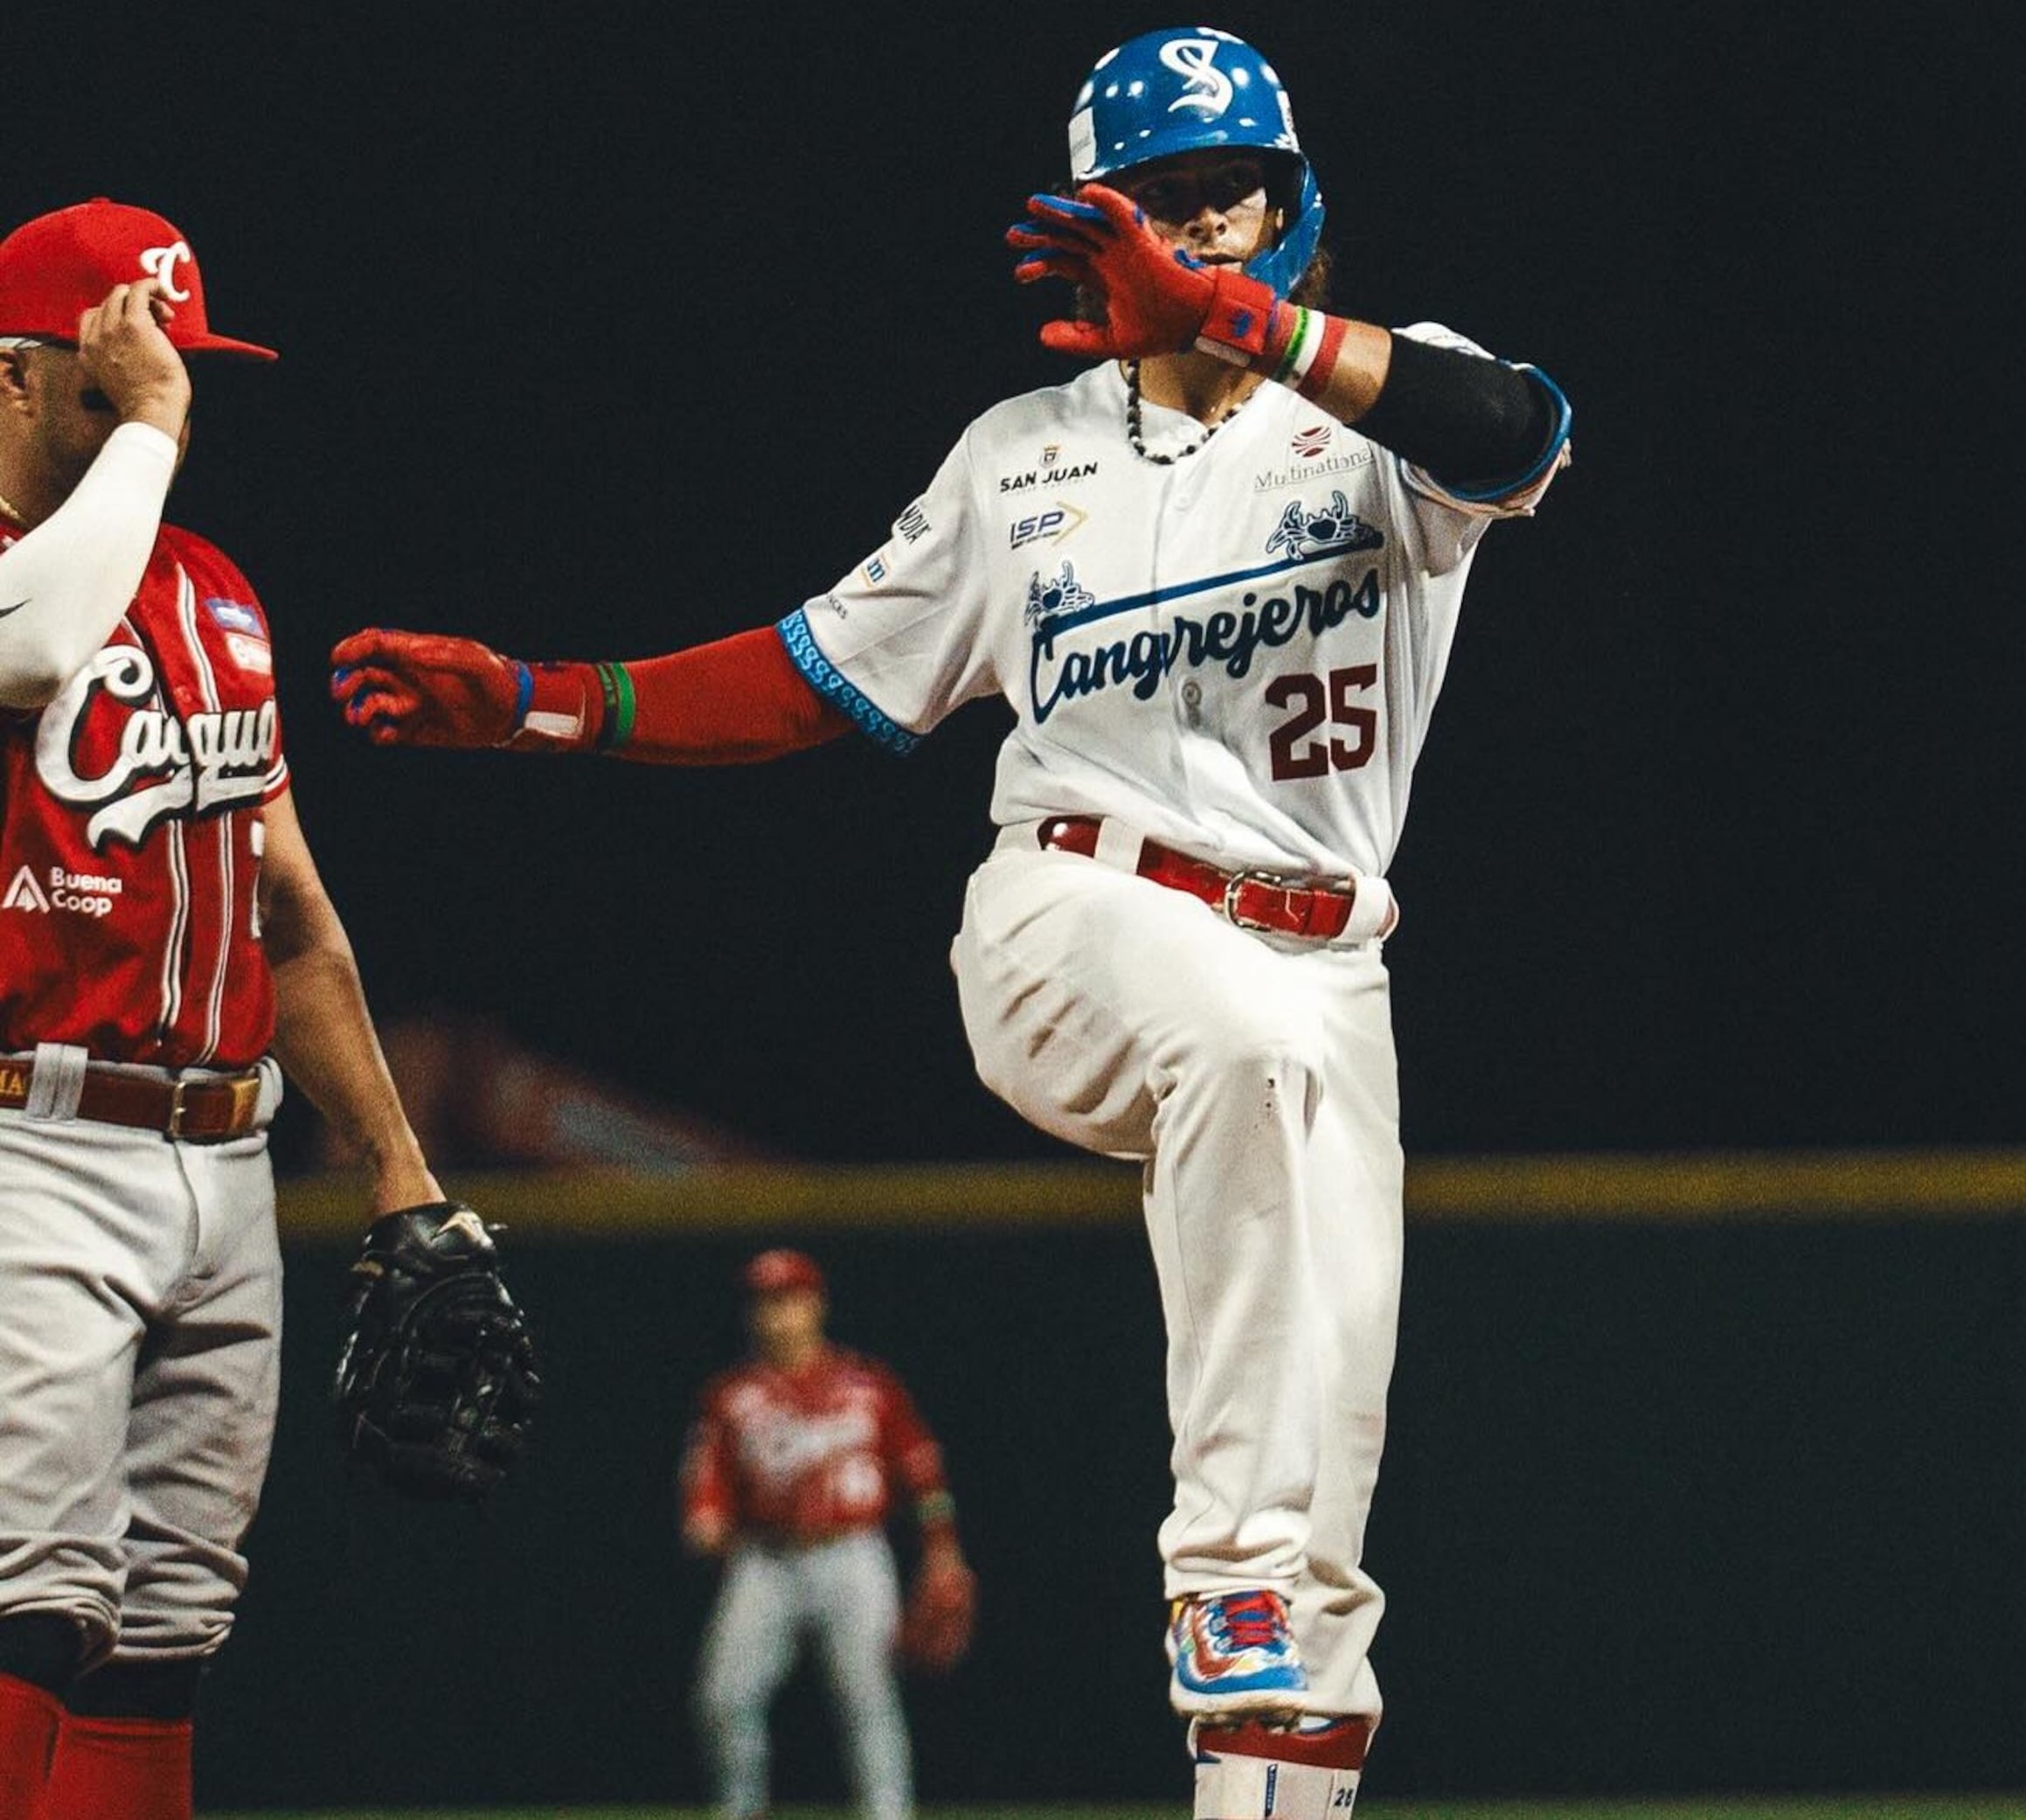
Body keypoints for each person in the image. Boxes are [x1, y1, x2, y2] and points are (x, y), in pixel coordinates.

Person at [328, 23, 1572, 1817]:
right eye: (1157, 202)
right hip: (1073, 919)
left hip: (1322, 988)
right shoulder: (1022, 459)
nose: (1201, 226)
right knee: (1239, 1094)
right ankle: (1219, 1575)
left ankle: (1262, 1719)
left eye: (1230, 193)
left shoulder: (1376, 409)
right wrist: (536, 697)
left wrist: (1231, 322)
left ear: (1293, 207)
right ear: (1087, 227)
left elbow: (1521, 426)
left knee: (1324, 1552)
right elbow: (809, 678)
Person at [0, 198, 450, 1820]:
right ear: (19, 368)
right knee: (31, 1602)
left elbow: (295, 917)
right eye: (125, 358)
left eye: (182, 359)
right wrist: (158, 432)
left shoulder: (216, 596)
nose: (166, 386)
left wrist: (398, 1161)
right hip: (24, 1138)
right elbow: (43, 639)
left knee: (166, 1628)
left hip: (225, 1158)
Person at [678, 1247, 974, 1820]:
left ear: (816, 1304)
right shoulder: (732, 1395)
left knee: (868, 1701)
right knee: (724, 1696)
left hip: (853, 1553)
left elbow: (923, 1470)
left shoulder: (868, 1385)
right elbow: (706, 1478)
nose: (777, 1314)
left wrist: (943, 1551)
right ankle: (739, 1812)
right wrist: (705, 1515)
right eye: (765, 1302)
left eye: (788, 1299)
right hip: (766, 1557)